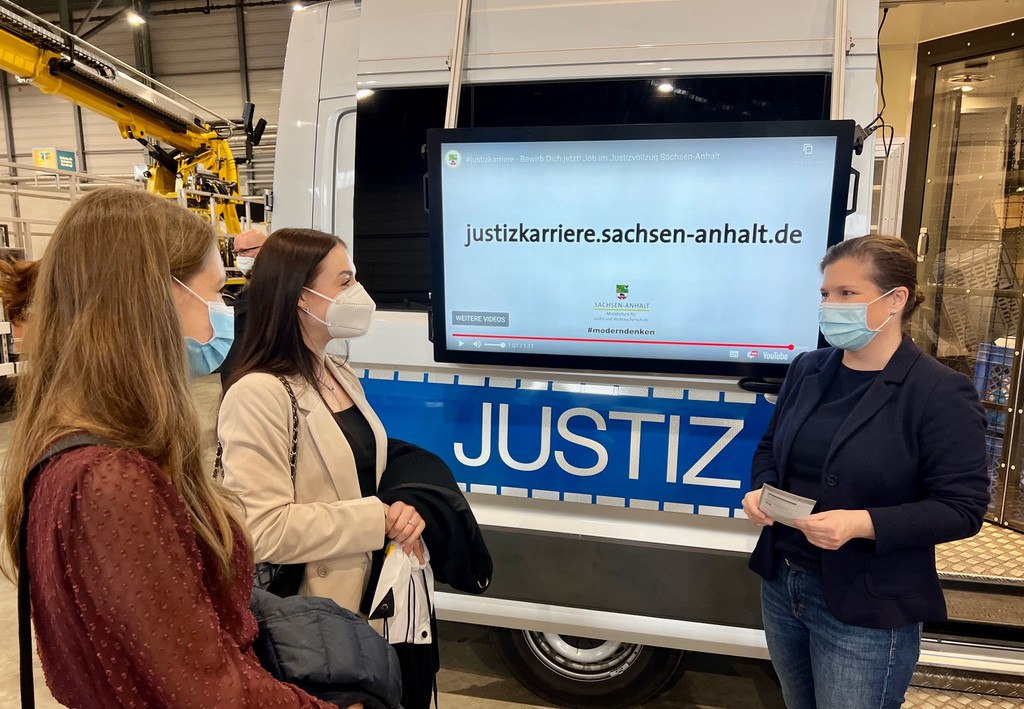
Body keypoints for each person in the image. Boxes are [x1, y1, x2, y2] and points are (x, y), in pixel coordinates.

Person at [0, 188, 351, 708]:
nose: (221, 317)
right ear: (151, 300)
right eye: (215, 293)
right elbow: (205, 689)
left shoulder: (83, 449)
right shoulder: (109, 479)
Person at [741, 235, 990, 709]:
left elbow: (962, 508)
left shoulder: (939, 392)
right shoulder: (808, 369)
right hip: (783, 584)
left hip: (867, 603)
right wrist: (760, 491)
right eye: (825, 293)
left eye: (847, 294)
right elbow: (770, 448)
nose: (830, 306)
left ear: (896, 299)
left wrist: (862, 524)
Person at [218, 228, 438, 709]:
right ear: (300, 296)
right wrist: (377, 518)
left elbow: (363, 473)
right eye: (344, 281)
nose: (358, 292)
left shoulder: (336, 371)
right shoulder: (258, 393)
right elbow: (263, 528)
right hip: (311, 623)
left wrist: (400, 509)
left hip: (368, 597)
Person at [220, 228, 268, 385]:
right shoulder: (249, 286)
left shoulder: (275, 285)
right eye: (237, 253)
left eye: (245, 251)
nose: (240, 258)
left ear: (265, 248)